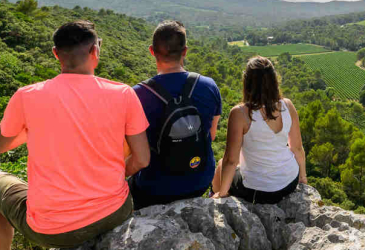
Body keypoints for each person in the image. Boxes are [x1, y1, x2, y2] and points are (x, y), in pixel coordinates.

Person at [0, 20, 151, 250]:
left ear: (55, 54)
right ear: (96, 51)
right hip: (114, 213)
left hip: (52, 230)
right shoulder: (122, 93)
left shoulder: (27, 96)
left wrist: (35, 127)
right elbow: (142, 158)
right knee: (117, 137)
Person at [128, 20, 222, 209]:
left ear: (152, 51)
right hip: (199, 181)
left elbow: (135, 154)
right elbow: (211, 136)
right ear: (185, 51)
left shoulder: (137, 94)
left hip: (154, 188)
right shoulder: (209, 86)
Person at [213, 56, 306, 203]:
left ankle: (219, 197)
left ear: (247, 82)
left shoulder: (240, 113)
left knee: (220, 165)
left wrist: (222, 193)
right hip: (289, 181)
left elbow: (231, 160)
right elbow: (297, 148)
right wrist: (303, 178)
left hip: (258, 190)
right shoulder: (288, 105)